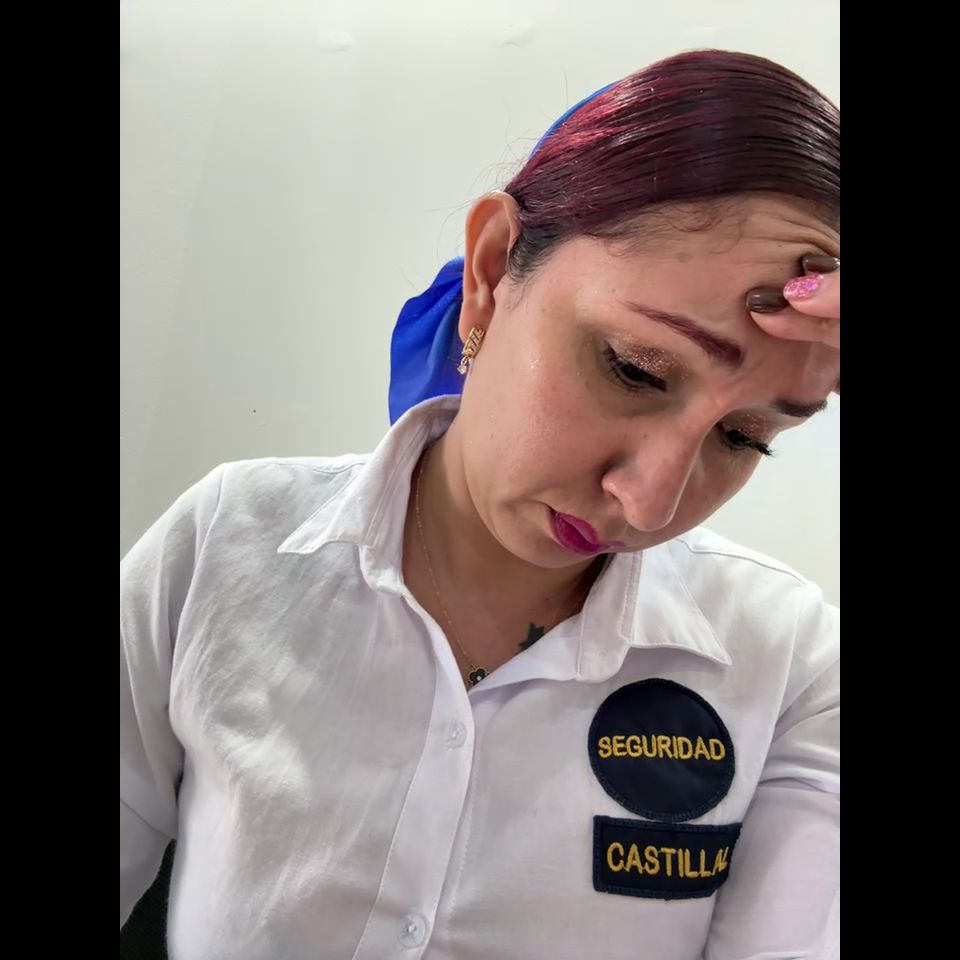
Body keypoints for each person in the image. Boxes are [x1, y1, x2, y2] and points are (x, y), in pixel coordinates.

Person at [120, 48, 840, 959]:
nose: (651, 502)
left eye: (745, 437)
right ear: (493, 272)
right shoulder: (226, 548)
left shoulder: (786, 660)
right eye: (635, 370)